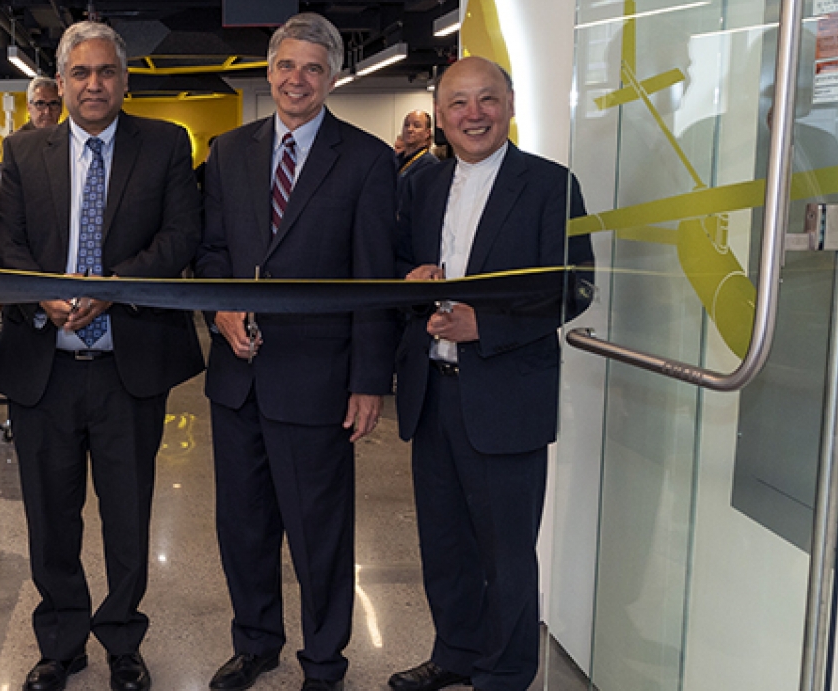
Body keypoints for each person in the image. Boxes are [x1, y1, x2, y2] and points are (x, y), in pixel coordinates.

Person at [0, 21, 203, 691]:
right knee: (50, 514)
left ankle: (121, 638)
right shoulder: (23, 151)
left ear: (125, 79)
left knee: (127, 512)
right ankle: (60, 639)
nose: (93, 84)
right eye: (79, 73)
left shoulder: (166, 144)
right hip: (43, 365)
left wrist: (108, 291)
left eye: (105, 72)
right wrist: (48, 295)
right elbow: (7, 243)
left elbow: (180, 239)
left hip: (128, 364)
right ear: (60, 82)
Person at [193, 14, 397, 691]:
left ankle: (324, 660)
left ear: (332, 77)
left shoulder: (366, 160)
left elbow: (374, 281)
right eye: (286, 66)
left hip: (318, 380)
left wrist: (369, 379)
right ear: (270, 72)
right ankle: (255, 642)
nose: (296, 79)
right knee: (243, 526)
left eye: (312, 68)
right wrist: (219, 309)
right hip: (238, 376)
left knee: (319, 534)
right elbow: (214, 251)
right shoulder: (228, 151)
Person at [388, 56, 595, 691]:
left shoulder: (550, 185)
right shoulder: (420, 184)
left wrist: (490, 327)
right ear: (441, 116)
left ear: (509, 105)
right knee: (444, 544)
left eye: (487, 100)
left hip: (507, 394)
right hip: (433, 393)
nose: (473, 115)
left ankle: (504, 673)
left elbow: (574, 286)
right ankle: (454, 652)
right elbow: (397, 267)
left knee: (506, 552)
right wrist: (408, 281)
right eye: (458, 103)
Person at [397, 110, 439, 180]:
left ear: (427, 133)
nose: (409, 129)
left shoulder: (430, 164)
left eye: (416, 126)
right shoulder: (395, 160)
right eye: (406, 125)